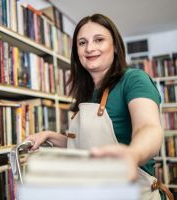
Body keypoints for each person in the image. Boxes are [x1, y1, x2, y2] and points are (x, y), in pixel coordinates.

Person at [26, 14, 172, 199]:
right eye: (82, 43)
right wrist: (48, 135)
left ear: (116, 47)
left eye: (99, 40)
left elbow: (148, 127)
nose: (90, 48)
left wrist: (132, 154)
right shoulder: (86, 93)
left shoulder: (134, 79)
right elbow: (83, 146)